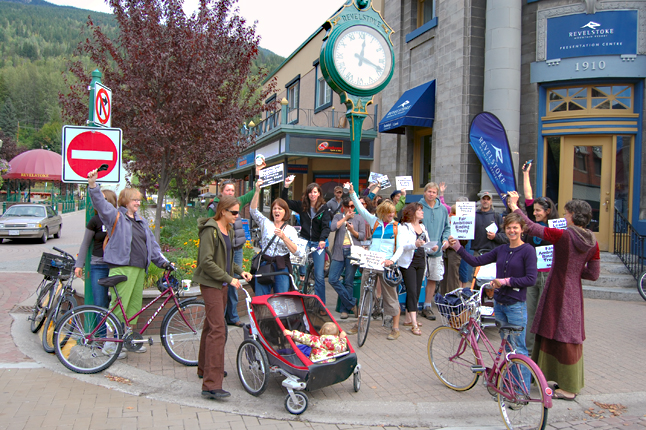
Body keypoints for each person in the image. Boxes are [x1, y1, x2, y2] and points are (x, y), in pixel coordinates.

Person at [507, 191, 600, 401]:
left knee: (560, 332)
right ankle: (549, 376)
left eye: (567, 214)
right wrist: (576, 271)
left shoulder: (565, 235)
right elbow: (593, 274)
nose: (565, 218)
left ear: (575, 216)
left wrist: (515, 206)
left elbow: (532, 227)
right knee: (558, 331)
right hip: (574, 291)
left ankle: (568, 388)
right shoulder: (593, 241)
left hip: (558, 289)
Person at [87, 168, 171, 359]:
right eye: (134, 199)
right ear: (125, 201)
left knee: (132, 308)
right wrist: (93, 185)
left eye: (139, 199)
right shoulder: (115, 216)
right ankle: (109, 345)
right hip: (122, 268)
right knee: (119, 307)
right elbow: (100, 204)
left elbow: (153, 246)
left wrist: (165, 263)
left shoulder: (141, 221)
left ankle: (128, 341)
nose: (138, 202)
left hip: (139, 269)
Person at [448, 212, 537, 383]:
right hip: (500, 304)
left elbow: (531, 279)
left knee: (519, 349)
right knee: (507, 347)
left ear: (522, 230)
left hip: (515, 305)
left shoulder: (528, 250)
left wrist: (505, 281)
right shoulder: (502, 249)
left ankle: (521, 390)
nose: (512, 231)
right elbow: (476, 261)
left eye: (515, 228)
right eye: (509, 228)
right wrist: (458, 247)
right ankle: (510, 382)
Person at [193, 195, 253, 400]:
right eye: (234, 212)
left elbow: (226, 259)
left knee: (211, 327)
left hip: (222, 284)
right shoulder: (211, 230)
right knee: (219, 329)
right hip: (211, 284)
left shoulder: (226, 229)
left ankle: (204, 369)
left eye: (238, 212)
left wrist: (239, 271)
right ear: (223, 211)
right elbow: (207, 262)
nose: (237, 216)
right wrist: (229, 278)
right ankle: (211, 384)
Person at [347, 182, 405, 340]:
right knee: (365, 292)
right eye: (388, 213)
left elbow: (400, 248)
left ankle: (395, 328)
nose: (391, 215)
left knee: (391, 296)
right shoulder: (375, 222)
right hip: (371, 263)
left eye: (392, 213)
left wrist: (391, 260)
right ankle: (360, 323)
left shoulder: (397, 227)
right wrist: (352, 193)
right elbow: (360, 208)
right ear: (381, 212)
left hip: (386, 265)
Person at [209, 163, 264, 328]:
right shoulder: (214, 206)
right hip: (222, 249)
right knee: (222, 281)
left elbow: (252, 194)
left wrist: (258, 179)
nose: (230, 193)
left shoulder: (237, 202)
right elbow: (209, 227)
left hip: (237, 248)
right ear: (222, 191)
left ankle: (232, 316)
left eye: (232, 191)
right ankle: (221, 316)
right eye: (228, 190)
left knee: (234, 281)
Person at [522, 161, 559, 355]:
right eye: (534, 210)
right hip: (532, 274)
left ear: (547, 212)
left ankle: (544, 355)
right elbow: (528, 197)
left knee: (544, 316)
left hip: (548, 275)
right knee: (529, 314)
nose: (534, 213)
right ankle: (528, 354)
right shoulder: (531, 221)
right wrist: (526, 174)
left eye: (538, 211)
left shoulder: (555, 226)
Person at [282, 178, 331, 303]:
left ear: (319, 193)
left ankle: (320, 304)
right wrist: (286, 186)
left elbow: (326, 227)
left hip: (317, 244)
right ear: (307, 194)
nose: (312, 194)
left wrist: (322, 239)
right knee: (297, 268)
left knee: (319, 276)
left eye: (315, 192)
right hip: (304, 241)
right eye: (310, 192)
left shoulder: (324, 208)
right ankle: (298, 292)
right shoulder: (302, 206)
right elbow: (285, 202)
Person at [249, 179, 300, 295]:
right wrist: (257, 191)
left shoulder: (290, 230)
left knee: (281, 299)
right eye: (274, 208)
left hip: (282, 267)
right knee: (261, 298)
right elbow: (253, 211)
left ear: (285, 212)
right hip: (265, 264)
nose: (277, 211)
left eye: (280, 209)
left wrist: (284, 238)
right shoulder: (266, 223)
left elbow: (297, 252)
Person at [391, 202, 432, 336]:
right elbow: (403, 246)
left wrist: (434, 247)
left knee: (416, 289)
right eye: (420, 210)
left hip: (421, 261)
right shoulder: (404, 227)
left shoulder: (423, 227)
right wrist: (415, 244)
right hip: (409, 262)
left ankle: (409, 318)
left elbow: (427, 245)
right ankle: (414, 323)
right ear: (413, 212)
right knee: (412, 290)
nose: (422, 212)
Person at [74, 189, 117, 309]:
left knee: (119, 304)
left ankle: (117, 328)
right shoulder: (95, 220)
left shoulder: (118, 219)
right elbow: (85, 243)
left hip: (116, 265)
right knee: (100, 303)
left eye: (102, 199)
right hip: (98, 265)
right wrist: (79, 265)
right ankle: (101, 328)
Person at [329, 197, 366, 319]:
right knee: (332, 279)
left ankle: (345, 310)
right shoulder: (338, 216)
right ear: (343, 207)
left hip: (353, 252)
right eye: (348, 206)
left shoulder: (359, 218)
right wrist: (345, 218)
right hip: (339, 252)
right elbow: (333, 227)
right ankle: (351, 303)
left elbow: (361, 235)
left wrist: (353, 231)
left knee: (348, 282)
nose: (350, 209)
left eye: (352, 206)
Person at [419, 182, 451, 320]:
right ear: (424, 192)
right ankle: (413, 307)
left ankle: (427, 306)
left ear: (437, 194)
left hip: (437, 251)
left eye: (434, 192)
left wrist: (445, 240)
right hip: (420, 250)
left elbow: (447, 227)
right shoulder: (418, 207)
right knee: (419, 279)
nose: (431, 194)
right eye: (429, 191)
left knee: (433, 278)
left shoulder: (443, 209)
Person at [464, 191, 509, 282]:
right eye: (484, 199)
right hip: (478, 253)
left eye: (488, 199)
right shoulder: (473, 216)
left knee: (492, 281)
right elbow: (465, 232)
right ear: (480, 201)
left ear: (491, 201)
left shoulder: (497, 217)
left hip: (493, 253)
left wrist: (495, 236)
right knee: (477, 280)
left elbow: (505, 236)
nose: (485, 201)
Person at [283, 322, 348, 363]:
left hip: (316, 362)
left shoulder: (318, 340)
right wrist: (342, 338)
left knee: (305, 352)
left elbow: (305, 337)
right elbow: (344, 348)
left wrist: (292, 334)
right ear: (337, 334)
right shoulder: (338, 343)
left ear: (321, 331)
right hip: (330, 362)